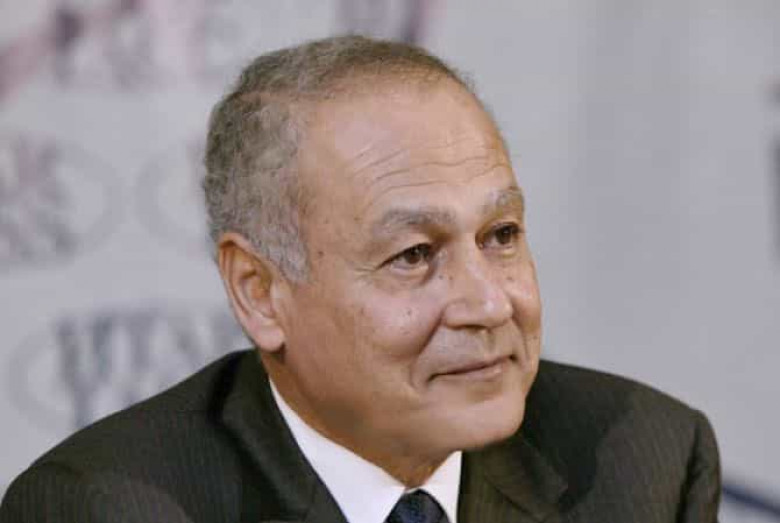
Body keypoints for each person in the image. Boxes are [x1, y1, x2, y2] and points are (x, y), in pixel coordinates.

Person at [0, 35, 720, 523]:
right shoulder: (109, 506)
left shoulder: (643, 462)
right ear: (259, 291)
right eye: (415, 254)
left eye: (501, 236)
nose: (489, 302)